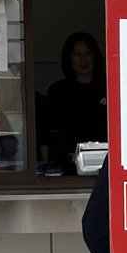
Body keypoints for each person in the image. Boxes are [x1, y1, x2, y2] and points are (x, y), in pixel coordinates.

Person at [42, 31, 107, 172]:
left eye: (88, 53)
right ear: (69, 58)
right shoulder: (58, 91)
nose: (83, 59)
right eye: (77, 54)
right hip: (67, 165)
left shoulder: (110, 86)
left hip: (108, 163)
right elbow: (47, 133)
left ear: (96, 55)